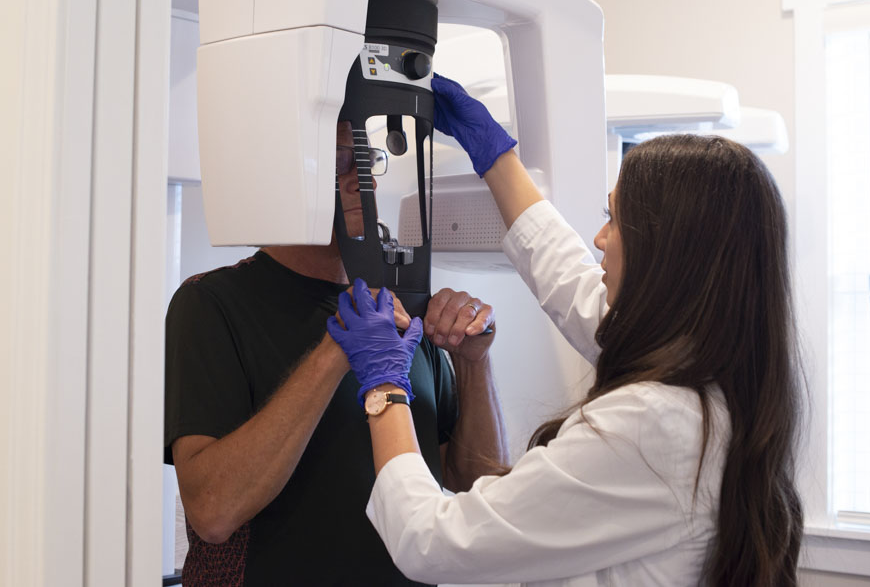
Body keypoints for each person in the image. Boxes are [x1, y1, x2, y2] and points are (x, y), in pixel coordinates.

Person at [326, 75, 804, 587]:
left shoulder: (654, 424)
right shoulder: (715, 370)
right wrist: (494, 157)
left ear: (667, 259)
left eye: (613, 221)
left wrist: (383, 386)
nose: (598, 238)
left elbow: (430, 540)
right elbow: (574, 283)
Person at [164, 119, 508, 586]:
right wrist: (333, 353)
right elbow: (213, 513)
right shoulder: (212, 304)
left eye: (366, 161)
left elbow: (477, 484)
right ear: (285, 174)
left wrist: (473, 363)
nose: (359, 178)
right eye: (339, 161)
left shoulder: (404, 309)